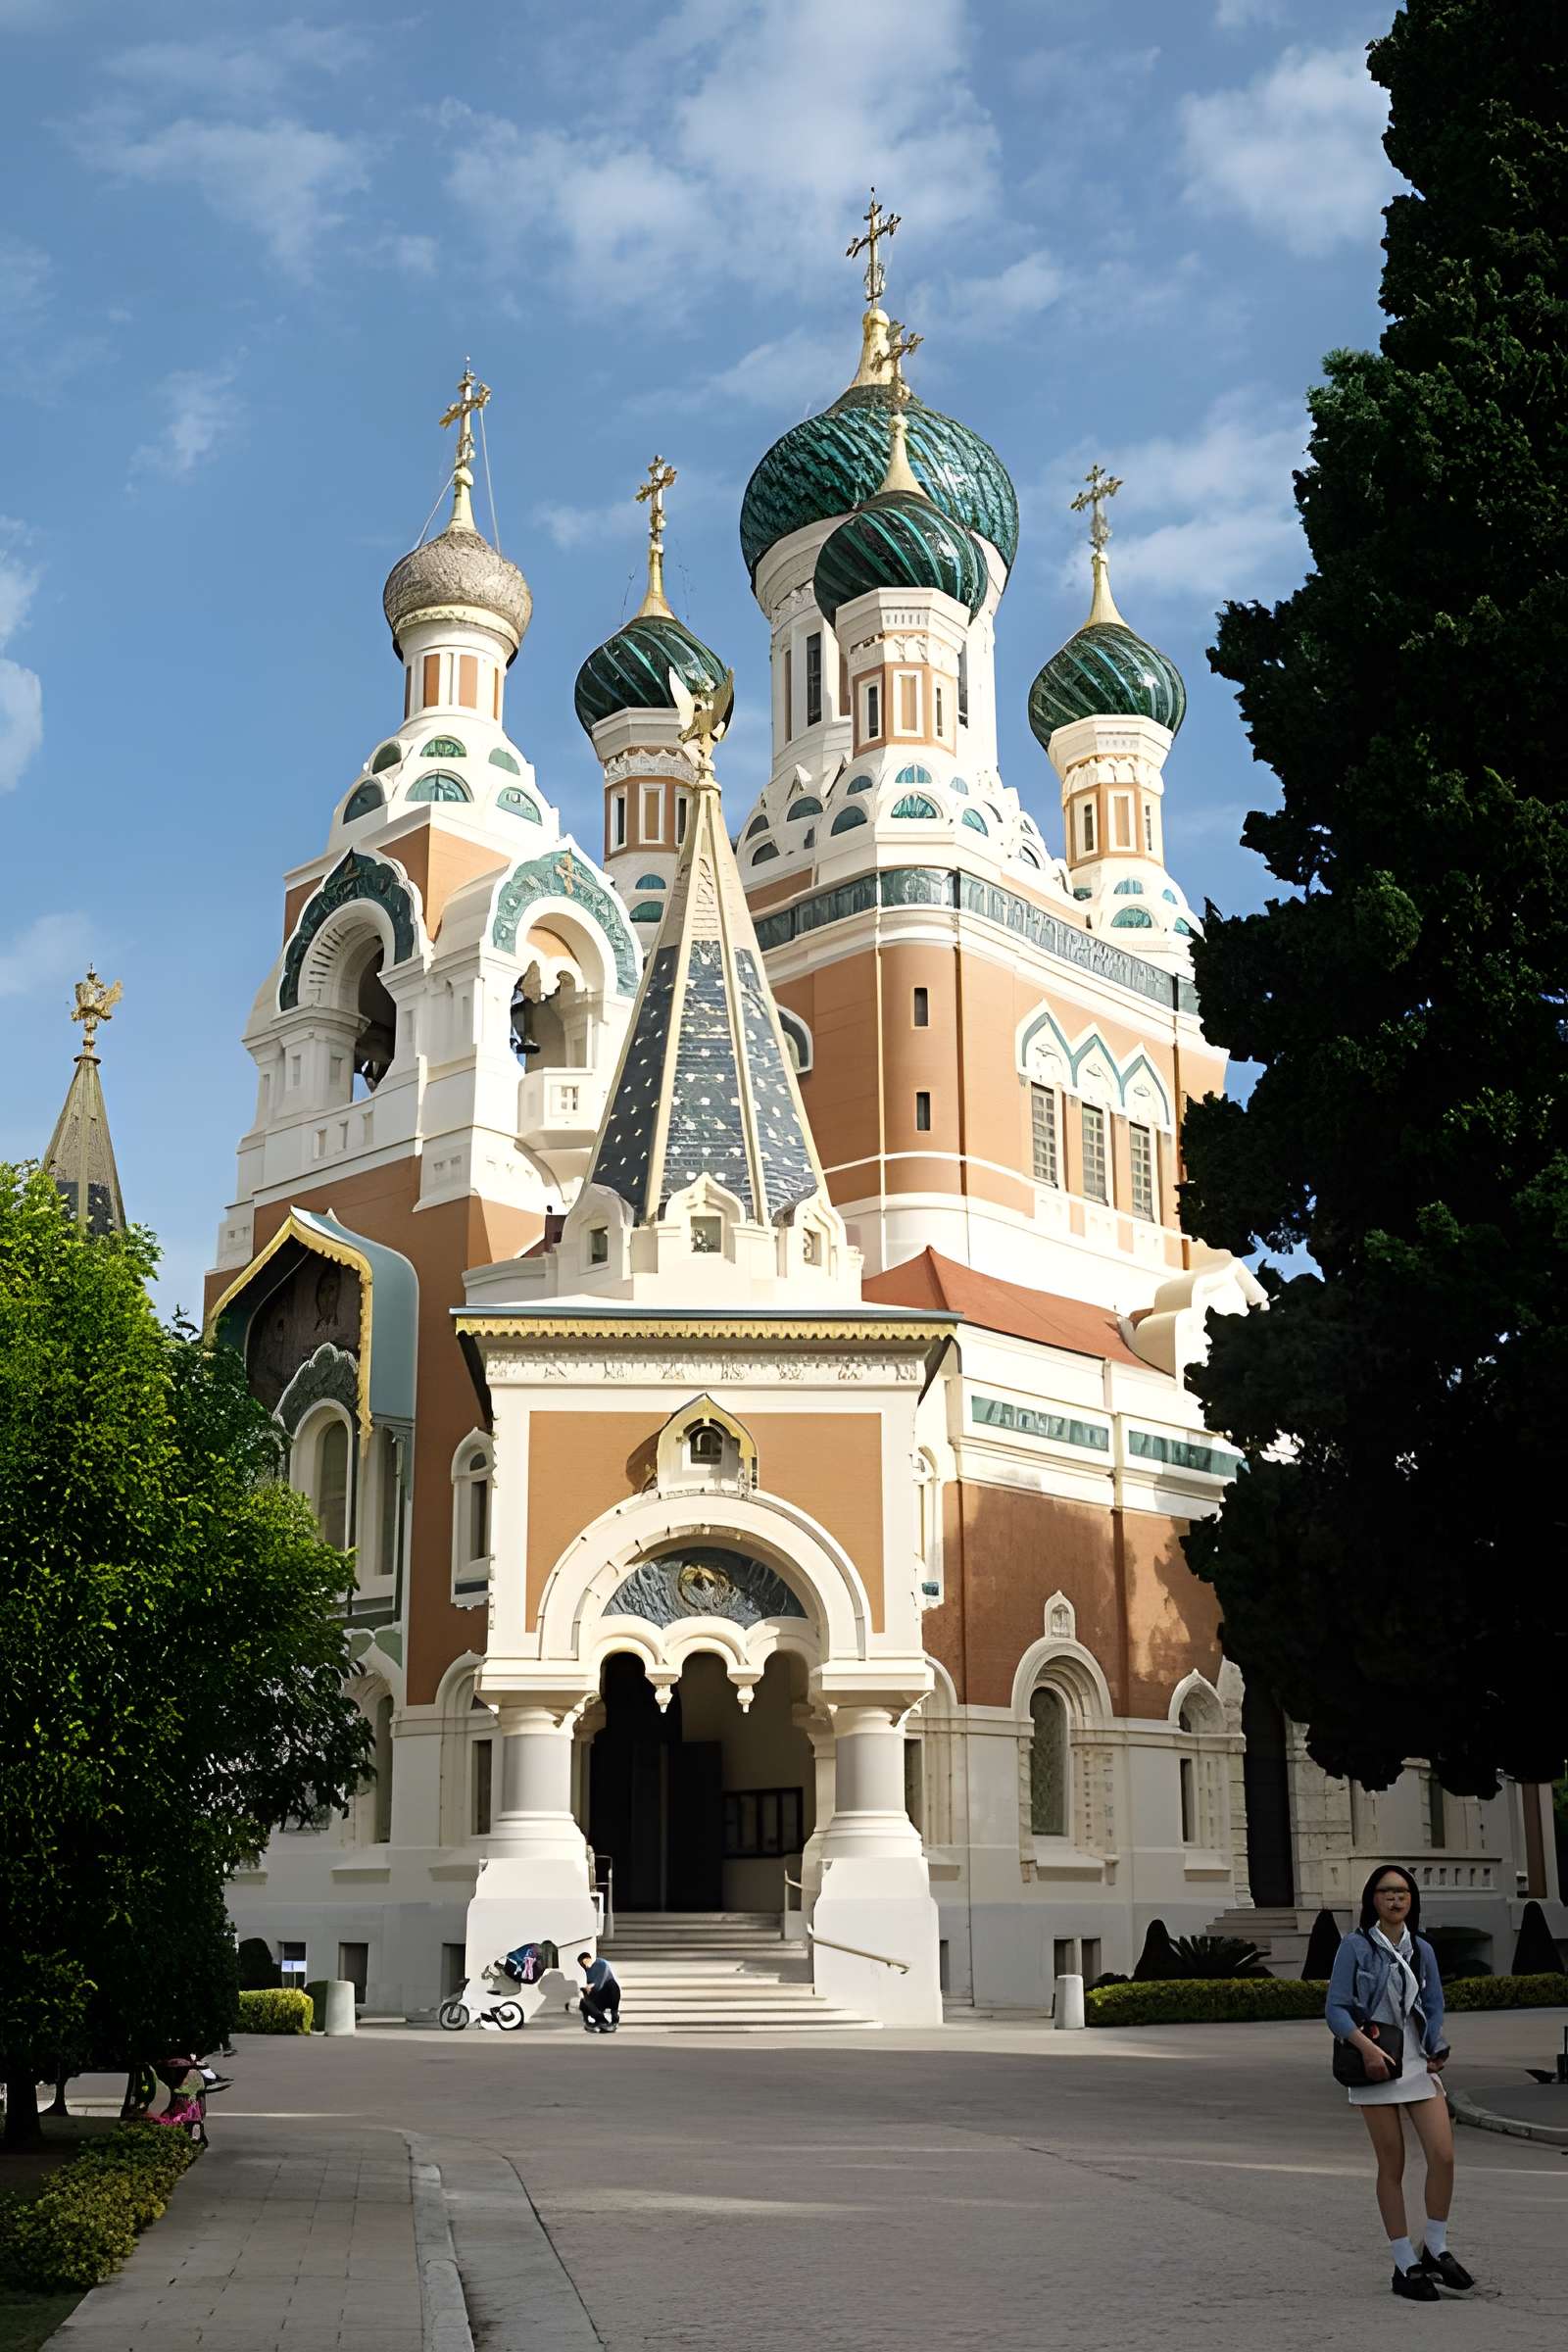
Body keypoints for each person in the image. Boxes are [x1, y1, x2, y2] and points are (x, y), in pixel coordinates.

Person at [1326, 1862, 1474, 2300]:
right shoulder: (1355, 1947)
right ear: (1373, 1899)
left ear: (1412, 1901)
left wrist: (1436, 2047)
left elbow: (1434, 2004)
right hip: (1374, 2064)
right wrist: (1368, 2050)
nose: (1395, 1899)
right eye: (1387, 1892)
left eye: (1403, 1893)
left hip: (1414, 2065)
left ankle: (1435, 2246)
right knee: (1392, 2165)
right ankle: (1403, 2263)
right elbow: (1335, 2009)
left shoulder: (1421, 1949)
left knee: (1443, 2156)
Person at [576, 1951, 620, 2034]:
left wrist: (592, 1986)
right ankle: (601, 2020)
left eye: (586, 1961)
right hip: (599, 1996)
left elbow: (600, 1982)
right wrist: (585, 1989)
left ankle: (614, 2021)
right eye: (583, 1964)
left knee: (612, 1985)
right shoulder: (587, 1971)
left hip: (609, 1993)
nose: (585, 1965)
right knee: (583, 2001)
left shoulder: (601, 1963)